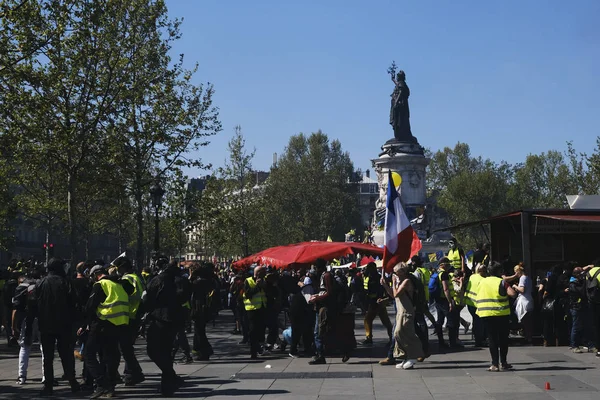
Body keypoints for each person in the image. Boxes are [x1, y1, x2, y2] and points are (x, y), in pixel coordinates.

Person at [80, 264, 133, 398]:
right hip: (119, 324)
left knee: (89, 355)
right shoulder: (118, 285)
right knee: (111, 356)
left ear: (95, 275)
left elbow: (89, 307)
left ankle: (102, 384)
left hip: (102, 323)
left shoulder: (100, 285)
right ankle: (110, 385)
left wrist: (84, 323)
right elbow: (130, 288)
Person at [31, 258, 80, 397]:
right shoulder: (66, 282)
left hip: (46, 324)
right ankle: (72, 382)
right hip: (64, 324)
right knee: (66, 354)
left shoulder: (41, 283)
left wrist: (30, 323)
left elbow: (32, 303)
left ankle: (48, 385)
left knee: (48, 357)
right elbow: (74, 303)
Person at [145, 259, 191, 396]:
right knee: (166, 351)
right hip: (176, 317)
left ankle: (170, 377)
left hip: (160, 317)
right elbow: (185, 296)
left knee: (153, 350)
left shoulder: (158, 280)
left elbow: (148, 299)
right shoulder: (182, 280)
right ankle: (168, 384)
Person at [476, 262, 517, 372]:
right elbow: (512, 294)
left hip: (486, 314)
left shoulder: (482, 282)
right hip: (501, 314)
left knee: (492, 339)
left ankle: (494, 364)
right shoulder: (502, 282)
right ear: (499, 271)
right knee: (503, 339)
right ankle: (503, 363)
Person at [390, 263, 425, 369]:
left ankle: (414, 355)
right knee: (397, 334)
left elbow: (396, 294)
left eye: (397, 273)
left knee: (406, 333)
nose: (395, 275)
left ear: (403, 272)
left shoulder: (406, 281)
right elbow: (393, 296)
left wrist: (394, 282)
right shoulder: (400, 282)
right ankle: (405, 356)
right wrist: (386, 285)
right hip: (400, 312)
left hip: (407, 311)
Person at [362, 262, 393, 345]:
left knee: (368, 320)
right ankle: (391, 337)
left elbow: (380, 289)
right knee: (384, 321)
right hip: (374, 302)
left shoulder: (377, 277)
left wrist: (381, 298)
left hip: (376, 302)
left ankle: (369, 338)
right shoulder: (369, 277)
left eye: (369, 267)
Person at [434, 258, 460, 348]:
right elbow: (445, 289)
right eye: (447, 264)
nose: (449, 266)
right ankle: (452, 342)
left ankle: (441, 341)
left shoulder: (437, 273)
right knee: (451, 321)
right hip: (445, 300)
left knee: (440, 321)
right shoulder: (444, 274)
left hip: (438, 300)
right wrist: (450, 302)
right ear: (442, 265)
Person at [243, 265, 267, 359]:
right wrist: (257, 286)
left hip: (261, 308)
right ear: (257, 273)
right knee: (253, 331)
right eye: (262, 272)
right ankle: (254, 351)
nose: (264, 274)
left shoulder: (264, 281)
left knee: (261, 330)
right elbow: (248, 294)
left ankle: (259, 347)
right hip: (252, 309)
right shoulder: (248, 281)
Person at [508, 263, 534, 345]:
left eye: (516, 272)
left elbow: (522, 290)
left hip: (524, 301)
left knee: (525, 321)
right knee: (528, 321)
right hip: (529, 300)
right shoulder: (528, 278)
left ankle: (528, 338)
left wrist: (515, 286)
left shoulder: (522, 278)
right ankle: (528, 337)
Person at [465, 264, 488, 347]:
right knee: (479, 323)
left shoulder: (472, 276)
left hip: (469, 302)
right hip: (477, 304)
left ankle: (477, 338)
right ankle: (479, 340)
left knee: (476, 321)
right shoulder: (483, 280)